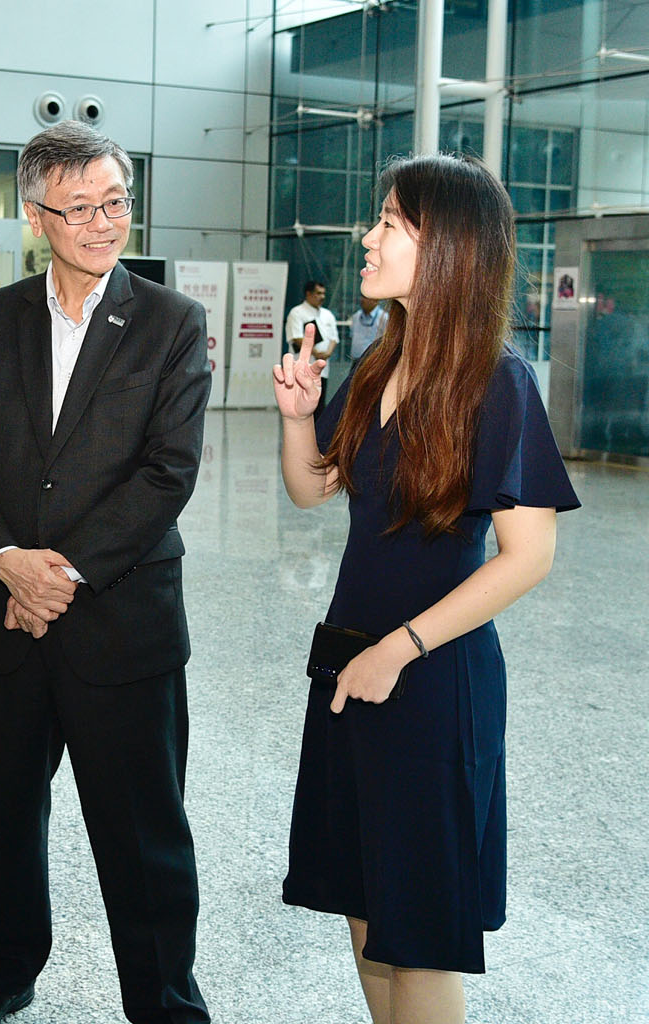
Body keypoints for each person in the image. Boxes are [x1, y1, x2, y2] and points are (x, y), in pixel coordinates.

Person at [272, 153, 579, 1024]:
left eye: (390, 224)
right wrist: (298, 420)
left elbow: (527, 557)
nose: (368, 238)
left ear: (445, 248)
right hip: (349, 669)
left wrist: (400, 650)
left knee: (421, 932)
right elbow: (314, 489)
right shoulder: (379, 364)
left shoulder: (498, 382)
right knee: (367, 917)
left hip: (430, 680)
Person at [0, 119, 211, 1024]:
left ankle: (165, 1002)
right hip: (1, 623)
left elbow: (168, 472)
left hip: (121, 623)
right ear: (36, 214)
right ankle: (4, 972)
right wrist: (9, 563)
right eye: (79, 207)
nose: (102, 223)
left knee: (144, 837)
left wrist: (63, 575)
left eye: (116, 203)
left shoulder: (171, 322)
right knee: (7, 819)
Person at [286, 280, 341, 411]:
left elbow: (334, 338)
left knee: (319, 406)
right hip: (303, 366)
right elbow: (296, 337)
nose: (322, 297)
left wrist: (327, 353)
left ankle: (317, 432)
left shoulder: (327, 315)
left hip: (322, 368)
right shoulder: (297, 312)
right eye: (318, 293)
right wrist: (316, 353)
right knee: (302, 406)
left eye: (323, 294)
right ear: (308, 294)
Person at [348, 294, 388, 368]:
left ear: (375, 300)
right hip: (356, 361)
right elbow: (352, 336)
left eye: (366, 297)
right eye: (362, 297)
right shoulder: (356, 316)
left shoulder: (384, 317)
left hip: (373, 363)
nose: (362, 300)